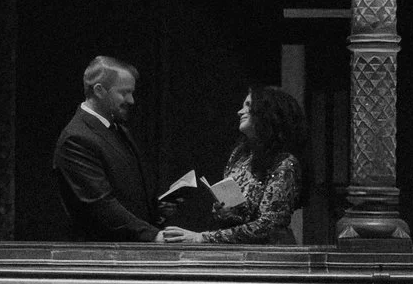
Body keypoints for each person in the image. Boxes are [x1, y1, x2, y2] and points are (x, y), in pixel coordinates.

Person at [158, 85, 308, 245]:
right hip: (240, 249)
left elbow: (268, 225)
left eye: (248, 106)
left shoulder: (284, 163)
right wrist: (226, 212)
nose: (240, 111)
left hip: (269, 255)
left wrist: (201, 237)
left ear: (267, 113)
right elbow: (243, 214)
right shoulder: (240, 155)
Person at [52, 55, 158, 241]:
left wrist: (158, 208)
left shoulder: (116, 128)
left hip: (130, 250)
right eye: (124, 92)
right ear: (100, 91)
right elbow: (100, 205)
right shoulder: (76, 138)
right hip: (102, 256)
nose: (131, 100)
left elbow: (130, 191)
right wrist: (153, 236)